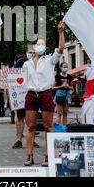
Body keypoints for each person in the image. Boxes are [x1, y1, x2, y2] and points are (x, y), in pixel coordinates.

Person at [23, 21, 65, 167]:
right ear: (34, 47)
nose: (40, 46)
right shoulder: (26, 64)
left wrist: (60, 32)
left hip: (45, 94)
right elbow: (22, 81)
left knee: (48, 126)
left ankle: (48, 156)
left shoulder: (49, 60)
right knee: (30, 126)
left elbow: (60, 49)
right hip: (31, 95)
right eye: (38, 44)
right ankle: (29, 155)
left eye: (43, 44)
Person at [11, 44, 40, 149]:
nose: (32, 54)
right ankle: (19, 139)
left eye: (33, 52)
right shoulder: (21, 62)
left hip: (33, 93)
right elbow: (13, 74)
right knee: (20, 116)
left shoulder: (38, 62)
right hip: (20, 94)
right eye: (30, 52)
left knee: (32, 117)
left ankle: (32, 139)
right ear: (26, 52)